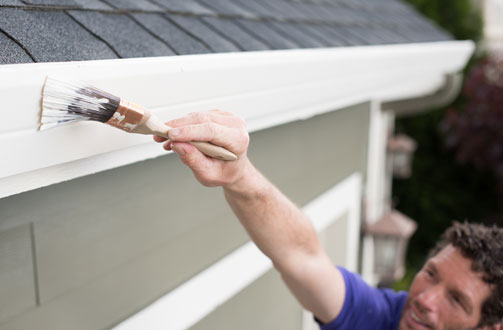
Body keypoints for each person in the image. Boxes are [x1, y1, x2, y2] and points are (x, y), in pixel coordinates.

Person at [153, 110, 503, 330]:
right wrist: (239, 174)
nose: (426, 299)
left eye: (457, 300)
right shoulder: (380, 317)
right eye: (430, 274)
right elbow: (302, 255)